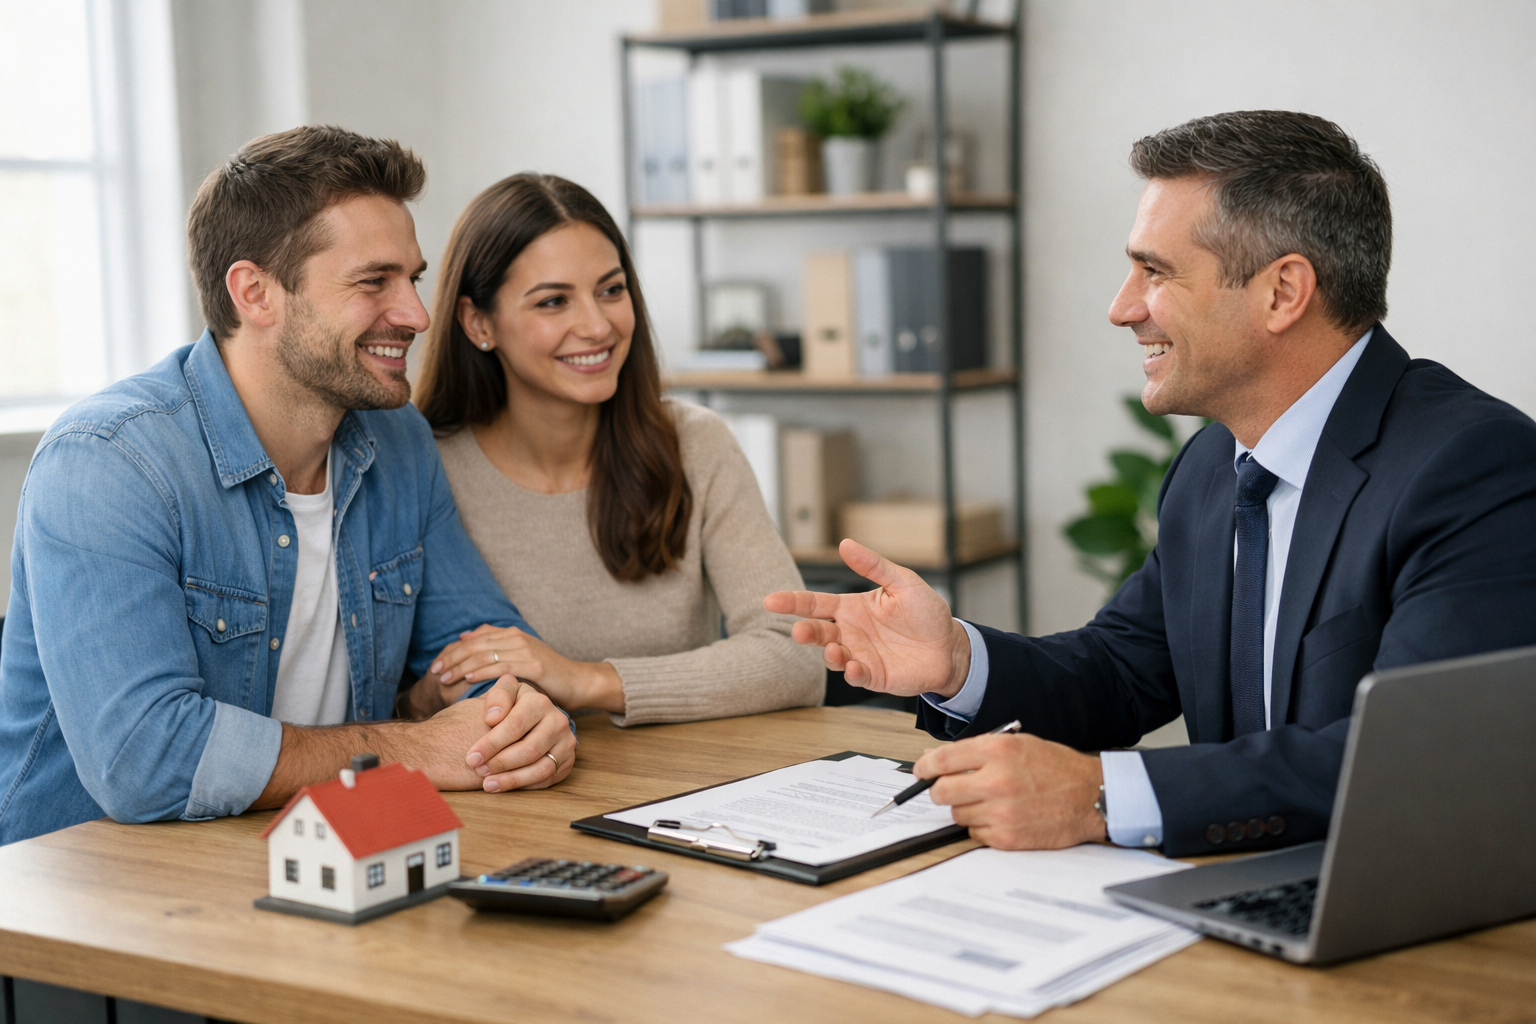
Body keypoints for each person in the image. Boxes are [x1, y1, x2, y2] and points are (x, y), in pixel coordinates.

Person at [766, 110, 1536, 857]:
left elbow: (1412, 760)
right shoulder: (1212, 465)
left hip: (1400, 910)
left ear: (1282, 292)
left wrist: (1098, 796)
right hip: (1231, 892)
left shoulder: (1474, 468)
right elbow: (1120, 673)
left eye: (1155, 271)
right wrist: (958, 662)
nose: (1121, 308)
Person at [0, 127, 575, 846]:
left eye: (413, 279)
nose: (417, 315)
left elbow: (489, 655)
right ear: (256, 293)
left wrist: (516, 721)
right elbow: (146, 760)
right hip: (91, 886)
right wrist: (416, 748)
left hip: (310, 852)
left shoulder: (398, 441)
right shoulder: (108, 463)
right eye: (374, 282)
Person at [410, 173, 822, 724]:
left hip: (692, 773)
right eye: (554, 301)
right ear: (479, 322)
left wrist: (587, 680)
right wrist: (425, 698)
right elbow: (390, 699)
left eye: (611, 290)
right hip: (514, 778)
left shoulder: (695, 444)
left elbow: (797, 655)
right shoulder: (422, 469)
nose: (597, 325)